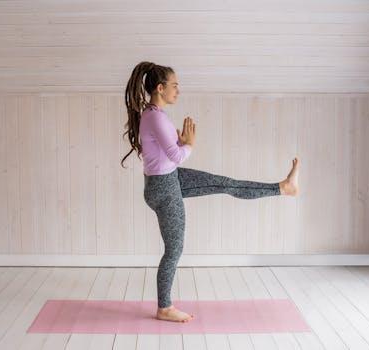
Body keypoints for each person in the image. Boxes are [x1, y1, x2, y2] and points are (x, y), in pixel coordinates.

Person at [121, 61, 299, 323]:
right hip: (165, 187)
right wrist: (189, 144)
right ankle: (164, 307)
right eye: (175, 85)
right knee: (174, 249)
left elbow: (165, 153)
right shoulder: (155, 116)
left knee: (225, 183)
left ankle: (282, 188)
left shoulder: (153, 114)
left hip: (168, 180)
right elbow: (176, 156)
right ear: (160, 88)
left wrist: (181, 141)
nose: (178, 91)